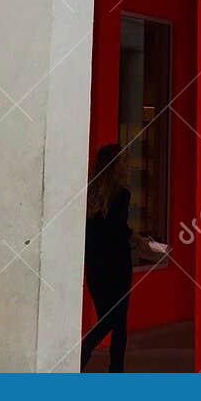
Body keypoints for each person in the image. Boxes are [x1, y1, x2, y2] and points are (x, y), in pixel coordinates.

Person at [81, 142, 135, 372]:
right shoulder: (122, 195)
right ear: (116, 166)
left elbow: (97, 230)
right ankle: (112, 368)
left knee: (107, 317)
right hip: (117, 265)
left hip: (94, 265)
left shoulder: (90, 193)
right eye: (123, 161)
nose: (127, 166)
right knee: (117, 322)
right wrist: (138, 241)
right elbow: (118, 230)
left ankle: (84, 356)